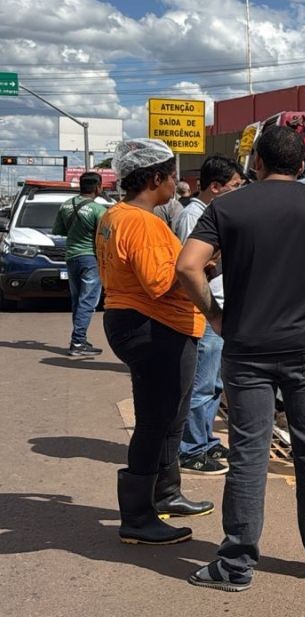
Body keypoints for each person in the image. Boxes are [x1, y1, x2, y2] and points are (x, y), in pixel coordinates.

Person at [176, 125, 305, 591]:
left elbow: (188, 267)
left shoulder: (226, 207)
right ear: (301, 165)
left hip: (247, 347)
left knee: (248, 451)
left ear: (256, 163)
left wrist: (215, 316)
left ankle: (234, 566)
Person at [95, 139, 209, 546]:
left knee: (171, 415)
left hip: (142, 322)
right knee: (155, 420)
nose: (176, 183)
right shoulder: (142, 222)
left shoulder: (115, 215)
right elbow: (161, 282)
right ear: (156, 178)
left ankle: (166, 494)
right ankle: (138, 517)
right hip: (153, 326)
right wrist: (206, 268)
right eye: (172, 175)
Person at [172, 155, 245, 476]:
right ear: (215, 187)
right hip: (204, 310)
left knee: (214, 383)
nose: (240, 192)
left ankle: (206, 439)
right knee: (201, 384)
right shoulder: (194, 216)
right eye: (235, 186)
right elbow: (191, 266)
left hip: (219, 307)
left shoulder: (215, 213)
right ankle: (191, 449)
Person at [52, 170, 108, 356]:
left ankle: (79, 339)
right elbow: (106, 237)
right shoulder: (99, 210)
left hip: (71, 256)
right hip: (90, 258)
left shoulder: (66, 205)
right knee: (88, 301)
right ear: (97, 187)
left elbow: (59, 230)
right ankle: (77, 342)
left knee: (77, 300)